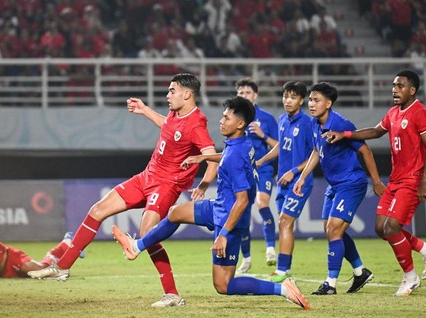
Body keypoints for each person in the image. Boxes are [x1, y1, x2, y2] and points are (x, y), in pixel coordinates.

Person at [29, 73, 219, 308]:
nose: (168, 95)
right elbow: (168, 126)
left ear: (186, 94)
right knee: (98, 209)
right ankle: (63, 267)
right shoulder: (175, 113)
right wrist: (144, 109)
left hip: (166, 184)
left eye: (172, 91)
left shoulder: (197, 123)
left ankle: (172, 294)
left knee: (147, 233)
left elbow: (212, 157)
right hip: (146, 176)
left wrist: (203, 185)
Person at [112, 96, 310, 310]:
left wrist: (223, 235)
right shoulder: (242, 143)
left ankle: (283, 289)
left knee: (223, 285)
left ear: (240, 124)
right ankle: (137, 246)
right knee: (176, 212)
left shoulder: (235, 155)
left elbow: (242, 201)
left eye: (227, 117)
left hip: (229, 220)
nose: (221, 121)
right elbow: (228, 155)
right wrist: (203, 158)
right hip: (219, 207)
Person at [324, 69, 426, 296]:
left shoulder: (420, 112)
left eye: (400, 86)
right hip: (396, 178)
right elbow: (375, 132)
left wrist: (425, 181)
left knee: (392, 227)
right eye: (393, 85)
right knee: (381, 228)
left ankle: (410, 277)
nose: (395, 90)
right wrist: (346, 134)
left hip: (412, 179)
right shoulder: (393, 113)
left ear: (412, 90)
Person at [292, 82, 385, 295]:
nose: (311, 104)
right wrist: (302, 176)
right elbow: (317, 151)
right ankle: (360, 271)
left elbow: (366, 151)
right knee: (331, 230)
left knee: (334, 229)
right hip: (334, 185)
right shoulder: (315, 124)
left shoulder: (342, 124)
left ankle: (330, 284)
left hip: (351, 183)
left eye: (316, 100)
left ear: (329, 103)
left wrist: (377, 181)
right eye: (311, 100)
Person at [255, 81, 314, 282]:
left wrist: (294, 171)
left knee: (284, 222)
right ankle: (286, 270)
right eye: (285, 96)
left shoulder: (307, 123)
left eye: (293, 97)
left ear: (301, 100)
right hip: (282, 182)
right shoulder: (282, 120)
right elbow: (281, 146)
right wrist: (262, 159)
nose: (288, 101)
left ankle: (281, 270)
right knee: (285, 225)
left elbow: (316, 154)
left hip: (299, 182)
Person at [235, 78, 279, 272]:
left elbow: (279, 146)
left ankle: (270, 248)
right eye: (241, 93)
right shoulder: (234, 117)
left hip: (263, 169)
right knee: (242, 212)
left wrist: (262, 135)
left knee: (262, 203)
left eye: (248, 93)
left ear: (255, 95)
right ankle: (246, 258)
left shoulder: (267, 118)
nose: (245, 96)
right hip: (242, 170)